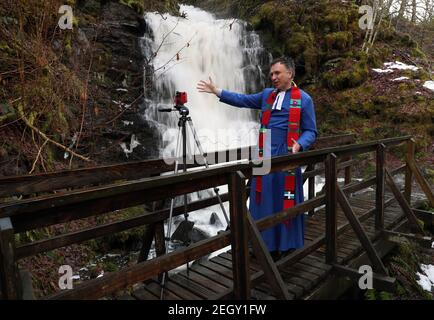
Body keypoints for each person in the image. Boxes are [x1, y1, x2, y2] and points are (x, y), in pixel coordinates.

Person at [197, 57, 317, 260]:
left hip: (286, 155)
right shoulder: (266, 95)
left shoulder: (304, 99)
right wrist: (217, 91)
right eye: (271, 74)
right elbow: (242, 100)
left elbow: (311, 131)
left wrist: (299, 145)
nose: (273, 77)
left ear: (290, 73)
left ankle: (285, 245)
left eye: (277, 73)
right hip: (264, 153)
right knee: (262, 199)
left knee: (283, 200)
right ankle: (263, 244)